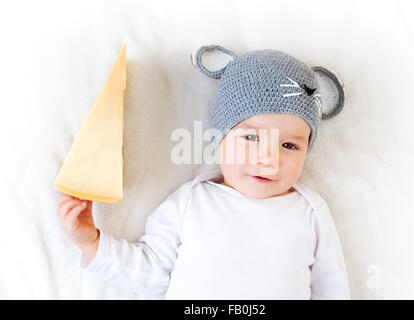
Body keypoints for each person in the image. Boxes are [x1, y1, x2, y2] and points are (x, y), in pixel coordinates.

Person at [56, 45, 350, 299]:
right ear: (221, 139)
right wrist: (92, 242)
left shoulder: (310, 213)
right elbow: (150, 270)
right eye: (251, 138)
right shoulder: (191, 202)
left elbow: (332, 290)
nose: (268, 159)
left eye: (289, 145)